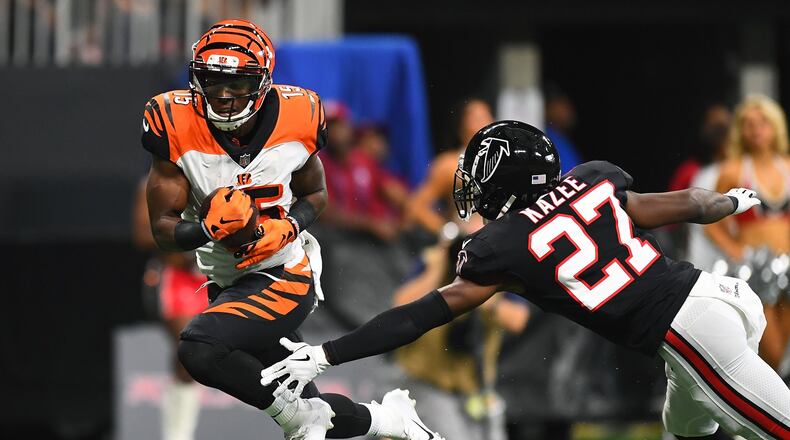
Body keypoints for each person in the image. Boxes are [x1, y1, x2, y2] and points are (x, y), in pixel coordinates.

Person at [262, 121, 790, 440]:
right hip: (718, 298)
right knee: (688, 429)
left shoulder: (504, 246)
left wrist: (328, 353)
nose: (473, 189)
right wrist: (731, 202)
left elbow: (418, 316)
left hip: (689, 334)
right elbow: (689, 202)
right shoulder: (592, 181)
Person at [142, 19, 441, 440]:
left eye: (237, 83)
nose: (223, 95)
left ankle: (299, 420)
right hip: (227, 282)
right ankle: (389, 420)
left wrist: (290, 225)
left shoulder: (297, 115)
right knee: (302, 398)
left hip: (285, 273)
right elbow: (162, 229)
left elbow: (316, 193)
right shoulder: (173, 121)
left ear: (263, 83)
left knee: (199, 348)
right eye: (212, 81)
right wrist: (206, 229)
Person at [704, 95, 790, 370]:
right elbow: (711, 221)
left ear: (775, 126)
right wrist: (735, 250)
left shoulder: (788, 166)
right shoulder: (733, 170)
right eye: (748, 124)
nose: (756, 130)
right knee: (771, 351)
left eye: (763, 122)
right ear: (740, 131)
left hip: (788, 266)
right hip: (755, 268)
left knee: (783, 350)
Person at [132, 179, 208, 440]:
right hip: (176, 276)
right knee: (190, 353)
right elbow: (142, 234)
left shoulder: (223, 173)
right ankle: (177, 436)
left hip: (218, 274)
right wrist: (187, 240)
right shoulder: (155, 183)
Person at [407, 98, 494, 234]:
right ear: (462, 125)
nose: (484, 122)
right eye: (477, 118)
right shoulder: (449, 164)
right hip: (468, 240)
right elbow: (416, 206)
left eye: (487, 116)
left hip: (502, 240)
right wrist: (447, 231)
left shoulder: (507, 162)